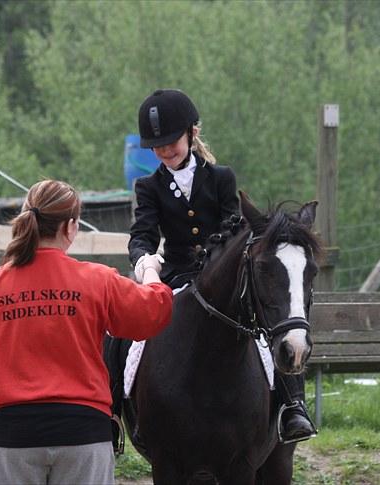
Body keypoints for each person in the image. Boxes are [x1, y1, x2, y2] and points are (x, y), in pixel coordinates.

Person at [120, 88, 316, 443]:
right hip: (177, 278)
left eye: (171, 142)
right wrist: (144, 260)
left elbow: (232, 226)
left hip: (223, 277)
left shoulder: (221, 177)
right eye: (157, 146)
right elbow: (143, 234)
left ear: (192, 133)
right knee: (124, 335)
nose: (164, 151)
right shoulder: (148, 186)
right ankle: (114, 411)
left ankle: (293, 406)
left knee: (270, 325)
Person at [0, 179, 172, 485]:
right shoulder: (97, 280)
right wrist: (150, 271)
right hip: (83, 435)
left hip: (9, 435)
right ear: (71, 227)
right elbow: (153, 312)